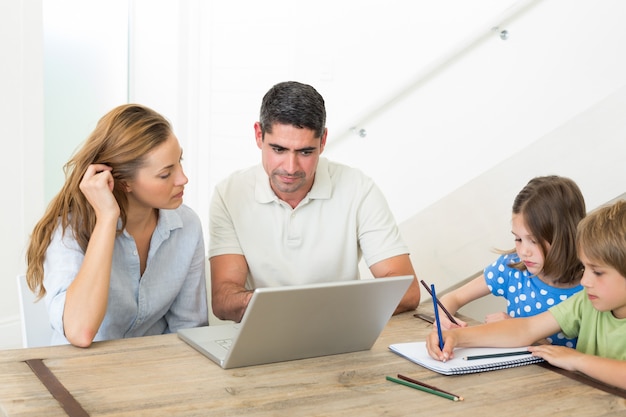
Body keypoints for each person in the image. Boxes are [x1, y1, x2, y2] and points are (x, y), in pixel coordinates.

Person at [209, 81, 420, 322]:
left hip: (340, 333)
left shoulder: (359, 188)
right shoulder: (230, 193)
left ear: (323, 141)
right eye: (278, 149)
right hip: (265, 331)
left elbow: (407, 291)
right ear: (259, 135)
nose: (290, 168)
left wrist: (310, 311)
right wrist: (285, 309)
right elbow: (224, 298)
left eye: (305, 152)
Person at [26, 104, 208, 348]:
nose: (183, 179)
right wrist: (107, 218)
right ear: (124, 183)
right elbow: (80, 331)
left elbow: (189, 330)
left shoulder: (187, 226)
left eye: (179, 162)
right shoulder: (69, 231)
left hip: (154, 372)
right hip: (83, 374)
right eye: (165, 174)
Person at [426, 199, 626, 390]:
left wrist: (576, 359)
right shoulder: (585, 301)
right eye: (585, 268)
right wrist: (456, 336)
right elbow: (526, 328)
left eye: (597, 272)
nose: (585, 281)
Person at [437, 175, 585, 347]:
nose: (523, 252)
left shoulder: (591, 287)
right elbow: (454, 297)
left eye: (534, 241)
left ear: (563, 237)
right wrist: (442, 318)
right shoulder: (512, 267)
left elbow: (585, 362)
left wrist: (512, 328)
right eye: (518, 239)